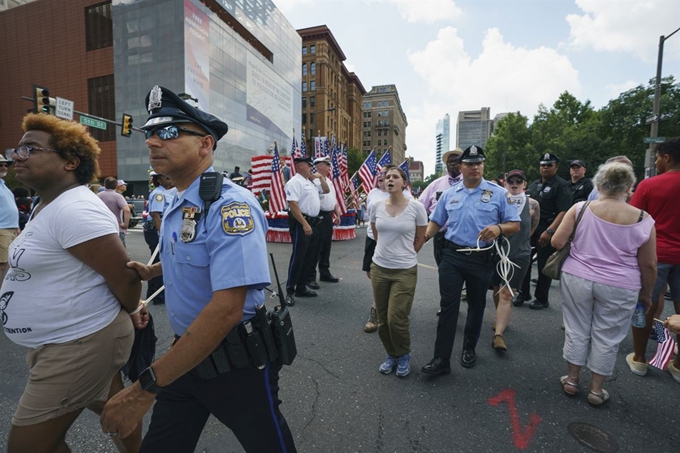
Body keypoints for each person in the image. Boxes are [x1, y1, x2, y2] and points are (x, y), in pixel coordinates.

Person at [100, 86, 297, 452]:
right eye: (150, 133)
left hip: (236, 363)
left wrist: (144, 388)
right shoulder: (178, 200)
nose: (154, 142)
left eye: (170, 132)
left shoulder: (229, 205)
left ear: (205, 145)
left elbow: (227, 308)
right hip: (184, 355)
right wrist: (154, 271)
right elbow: (193, 257)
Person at [2, 113, 145, 452]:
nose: (15, 157)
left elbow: (125, 277)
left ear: (70, 162)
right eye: (17, 149)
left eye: (29, 149)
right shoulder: (45, 206)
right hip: (65, 337)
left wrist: (131, 308)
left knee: (29, 446)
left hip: (79, 341)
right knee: (112, 408)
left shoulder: (75, 209)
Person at [552, 162, 657, 406]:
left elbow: (558, 242)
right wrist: (647, 294)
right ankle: (596, 390)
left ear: (598, 185)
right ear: (629, 187)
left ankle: (572, 379)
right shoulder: (643, 219)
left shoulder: (581, 208)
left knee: (576, 328)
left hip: (578, 276)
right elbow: (649, 264)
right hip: (621, 283)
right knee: (608, 335)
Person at [421, 146, 520, 375]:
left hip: (481, 257)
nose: (475, 167)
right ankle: (441, 358)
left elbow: (514, 225)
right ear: (461, 167)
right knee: (448, 306)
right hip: (452, 255)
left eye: (479, 163)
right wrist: (423, 238)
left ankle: (469, 348)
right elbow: (436, 221)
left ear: (483, 166)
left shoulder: (498, 193)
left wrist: (498, 227)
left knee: (476, 306)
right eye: (470, 163)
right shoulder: (449, 194)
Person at [626, 137, 680, 383]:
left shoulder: (649, 185)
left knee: (646, 304)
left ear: (667, 157)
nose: (656, 161)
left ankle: (639, 358)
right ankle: (677, 364)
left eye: (657, 157)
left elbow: (633, 221)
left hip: (656, 256)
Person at [370, 166, 428, 377]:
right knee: (383, 318)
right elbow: (376, 233)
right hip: (379, 268)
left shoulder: (417, 207)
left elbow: (421, 237)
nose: (390, 180)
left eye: (395, 177)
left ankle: (403, 354)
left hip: (404, 270)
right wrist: (386, 252)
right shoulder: (376, 206)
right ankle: (391, 354)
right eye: (387, 177)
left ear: (405, 183)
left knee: (397, 318)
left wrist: (406, 254)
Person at [490, 170, 540, 351]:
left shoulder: (533, 203)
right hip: (498, 252)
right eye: (511, 180)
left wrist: (520, 244)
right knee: (496, 289)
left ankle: (498, 335)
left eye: (519, 181)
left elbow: (531, 229)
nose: (515, 183)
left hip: (520, 253)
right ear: (505, 183)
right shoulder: (498, 201)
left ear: (524, 184)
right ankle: (499, 319)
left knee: (506, 294)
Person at [362, 166, 414, 333]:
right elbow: (370, 219)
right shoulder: (373, 193)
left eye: (390, 175)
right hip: (373, 239)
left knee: (392, 277)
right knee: (372, 273)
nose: (385, 177)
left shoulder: (405, 195)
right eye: (384, 174)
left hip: (396, 244)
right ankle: (384, 302)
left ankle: (376, 311)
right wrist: (379, 242)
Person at [519, 153, 571, 310]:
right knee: (524, 261)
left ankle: (542, 298)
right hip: (531, 229)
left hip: (547, 228)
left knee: (543, 264)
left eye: (549, 165)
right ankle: (523, 292)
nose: (545, 168)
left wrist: (549, 231)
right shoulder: (535, 184)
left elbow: (563, 211)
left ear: (556, 167)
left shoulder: (561, 186)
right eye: (543, 165)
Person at [284, 155, 329, 305]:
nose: (312, 168)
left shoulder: (309, 182)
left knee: (309, 257)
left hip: (313, 223)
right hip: (302, 223)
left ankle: (301, 288)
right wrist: (304, 224)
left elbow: (326, 190)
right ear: (301, 165)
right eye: (310, 166)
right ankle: (290, 291)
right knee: (298, 258)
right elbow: (293, 205)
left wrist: (319, 177)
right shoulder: (295, 182)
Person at [418, 148, 463, 266]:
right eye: (450, 161)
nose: (453, 163)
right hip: (441, 235)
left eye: (456, 160)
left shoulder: (471, 183)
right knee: (445, 272)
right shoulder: (436, 185)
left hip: (464, 234)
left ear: (462, 163)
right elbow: (420, 207)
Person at [307, 156, 341, 289]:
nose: (329, 167)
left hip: (328, 216)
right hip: (318, 216)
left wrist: (336, 213)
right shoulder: (314, 181)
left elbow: (332, 200)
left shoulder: (330, 182)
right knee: (315, 248)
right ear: (319, 166)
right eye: (327, 165)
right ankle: (310, 277)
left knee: (326, 247)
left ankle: (324, 272)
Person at [144, 171, 175, 305]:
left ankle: (153, 293)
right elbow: (156, 216)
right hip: (155, 230)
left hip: (159, 229)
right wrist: (162, 235)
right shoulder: (159, 194)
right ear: (160, 180)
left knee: (158, 260)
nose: (170, 179)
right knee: (159, 260)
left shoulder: (168, 192)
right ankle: (157, 296)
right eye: (166, 177)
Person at [98, 176, 132, 246]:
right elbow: (127, 210)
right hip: (117, 227)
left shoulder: (98, 196)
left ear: (105, 185)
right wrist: (125, 224)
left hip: (101, 227)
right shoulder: (118, 196)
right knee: (120, 251)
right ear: (116, 186)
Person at [0, 154, 19, 276]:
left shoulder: (3, 185)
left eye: (5, 165)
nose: (4, 167)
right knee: (2, 265)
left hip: (11, 230)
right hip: (2, 230)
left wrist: (16, 226)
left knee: (9, 264)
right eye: (0, 165)